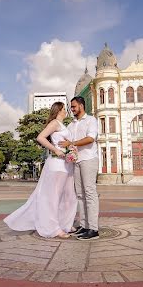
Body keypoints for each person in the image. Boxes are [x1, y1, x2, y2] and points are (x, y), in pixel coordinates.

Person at [3, 102, 76, 238]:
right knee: (54, 197)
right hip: (57, 164)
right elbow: (40, 137)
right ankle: (54, 228)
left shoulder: (63, 125)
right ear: (59, 110)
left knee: (68, 196)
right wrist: (55, 149)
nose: (66, 111)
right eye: (64, 109)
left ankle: (65, 223)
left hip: (67, 165)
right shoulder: (55, 123)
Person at [63, 96, 100, 240]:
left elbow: (91, 138)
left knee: (90, 193)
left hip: (89, 159)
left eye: (74, 107)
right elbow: (66, 140)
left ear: (81, 106)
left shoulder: (91, 120)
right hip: (76, 161)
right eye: (71, 107)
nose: (72, 109)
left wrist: (72, 142)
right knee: (80, 194)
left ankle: (93, 229)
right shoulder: (71, 125)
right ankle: (84, 226)